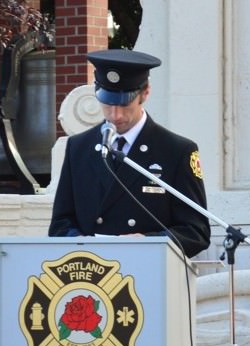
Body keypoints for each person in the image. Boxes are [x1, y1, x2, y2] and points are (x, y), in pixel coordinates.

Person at [48, 49, 211, 259]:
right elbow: (60, 225)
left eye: (125, 104)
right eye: (107, 103)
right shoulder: (79, 147)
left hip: (147, 271)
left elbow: (196, 231)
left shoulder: (176, 150)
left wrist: (149, 242)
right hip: (90, 275)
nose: (115, 115)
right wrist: (82, 244)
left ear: (145, 93)